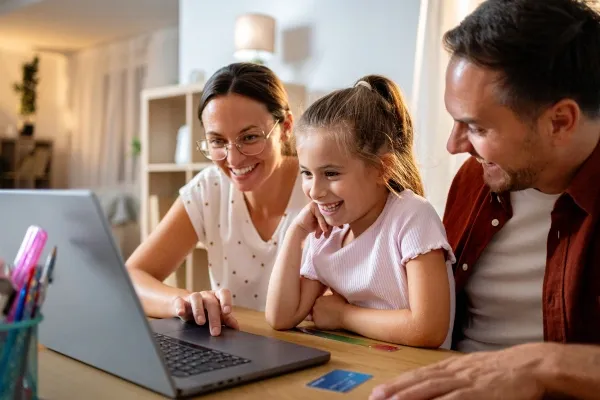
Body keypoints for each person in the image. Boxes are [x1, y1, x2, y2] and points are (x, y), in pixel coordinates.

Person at [370, 0, 600, 398]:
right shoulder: (477, 180)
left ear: (560, 121)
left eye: (475, 127)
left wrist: (540, 365)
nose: (453, 145)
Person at [265, 75, 455, 349]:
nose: (315, 191)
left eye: (331, 173)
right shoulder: (326, 232)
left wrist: (344, 316)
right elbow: (281, 317)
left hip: (418, 375)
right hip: (362, 367)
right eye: (307, 173)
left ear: (381, 169)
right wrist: (296, 233)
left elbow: (428, 329)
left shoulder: (412, 216)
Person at [126, 63, 308, 336]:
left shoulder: (318, 188)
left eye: (249, 137)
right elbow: (132, 275)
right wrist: (181, 302)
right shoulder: (210, 188)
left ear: (286, 127)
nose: (233, 159)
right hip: (237, 346)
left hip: (316, 351)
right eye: (218, 142)